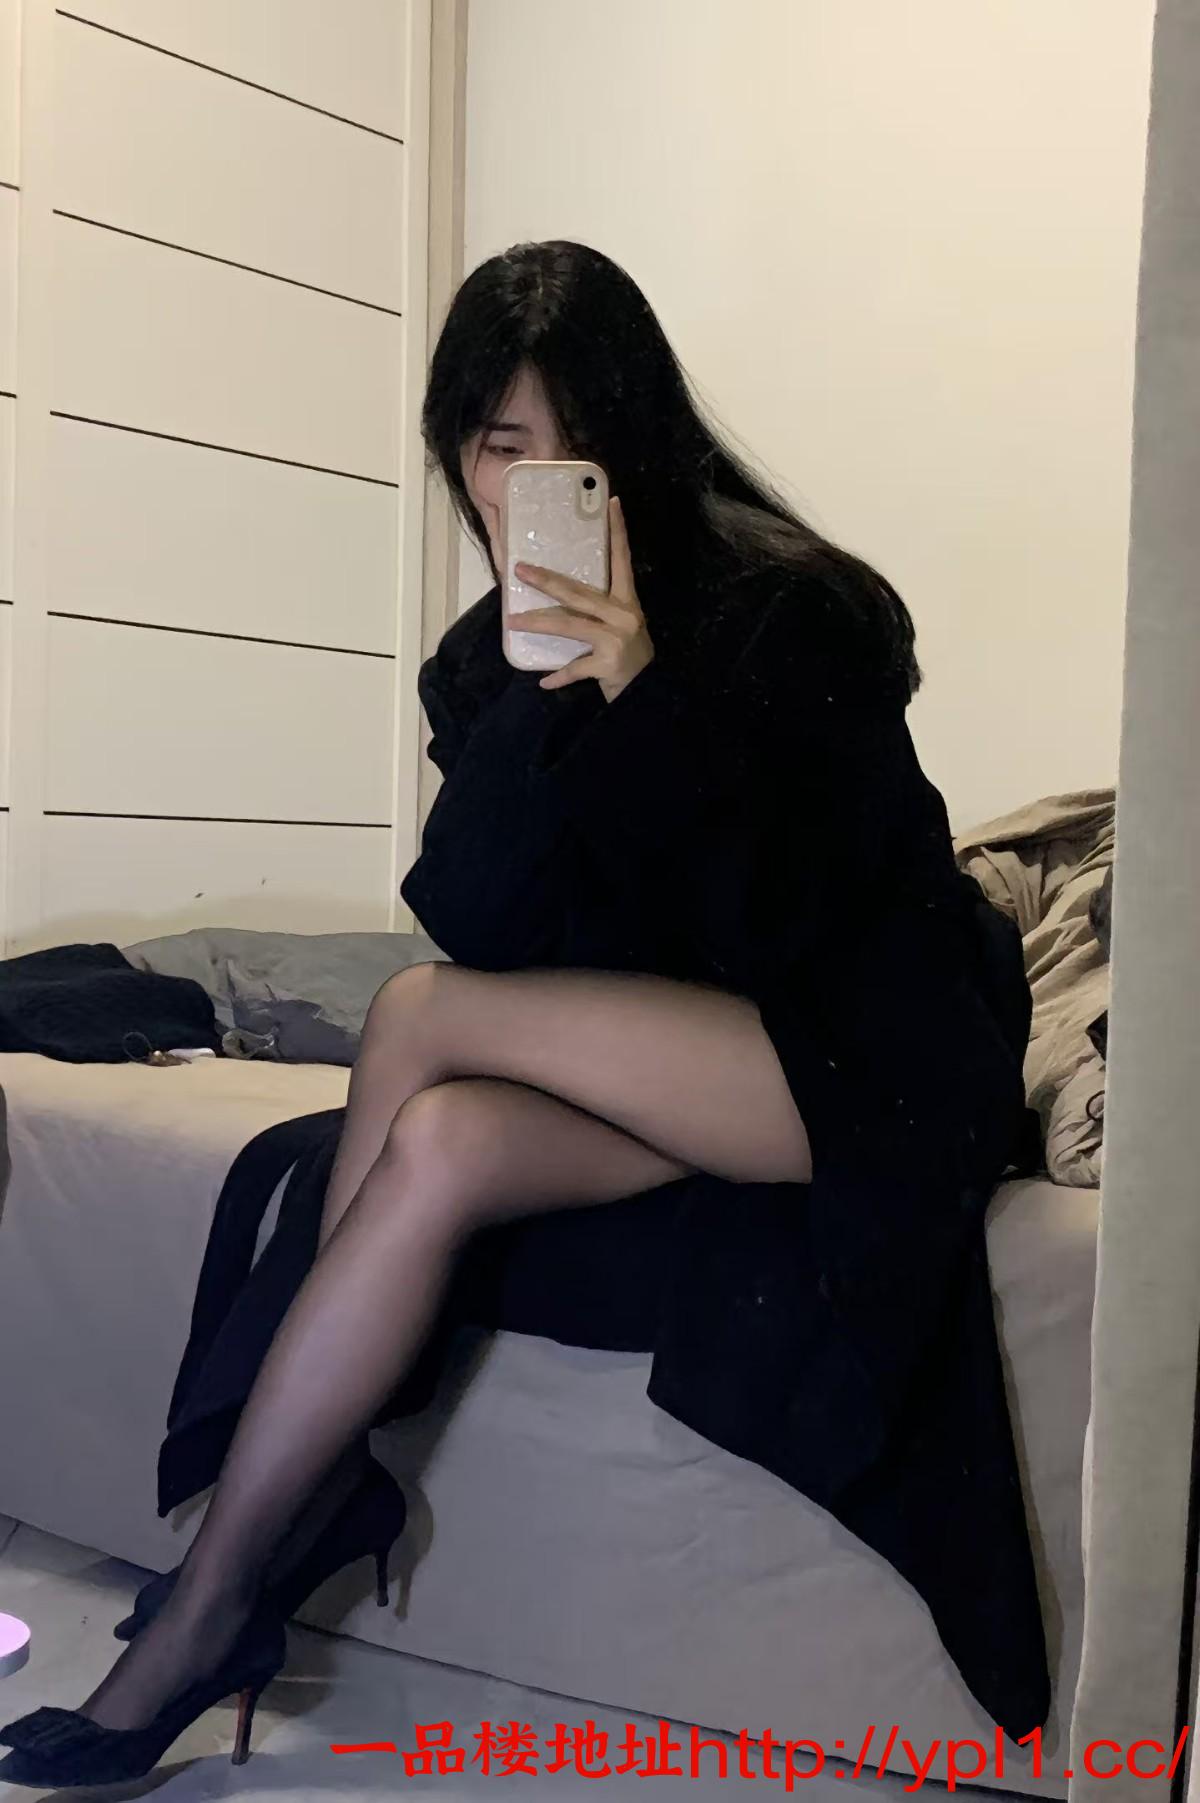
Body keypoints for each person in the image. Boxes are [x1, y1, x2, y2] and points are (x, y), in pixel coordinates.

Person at [0, 241, 1037, 1787]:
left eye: (574, 444)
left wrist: (648, 702)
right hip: (678, 1063)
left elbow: (792, 930)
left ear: (641, 444)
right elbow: (484, 920)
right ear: (456, 457)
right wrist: (545, 697)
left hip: (864, 1056)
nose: (530, 481)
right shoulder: (484, 661)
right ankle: (262, 1543)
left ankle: (224, 1589)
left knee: (420, 1017)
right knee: (439, 1143)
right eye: (497, 446)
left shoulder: (794, 606)